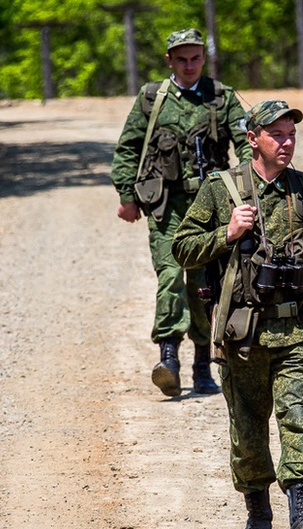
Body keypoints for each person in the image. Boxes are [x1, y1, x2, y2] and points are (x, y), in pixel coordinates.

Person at [172, 100, 303, 529]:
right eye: (276, 134)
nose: (287, 142)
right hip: (242, 337)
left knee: (297, 420)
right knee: (249, 432)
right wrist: (227, 234)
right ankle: (258, 517)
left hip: (298, 331)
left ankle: (302, 518)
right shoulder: (222, 190)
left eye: (292, 134)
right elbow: (181, 247)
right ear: (253, 138)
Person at [111, 28, 251, 397]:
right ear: (169, 60)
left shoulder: (221, 98)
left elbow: (247, 144)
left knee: (205, 287)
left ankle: (203, 366)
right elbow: (128, 147)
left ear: (203, 58)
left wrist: (254, 188)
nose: (189, 65)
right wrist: (127, 195)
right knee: (171, 275)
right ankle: (168, 359)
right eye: (182, 59)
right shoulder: (152, 98)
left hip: (211, 207)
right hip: (168, 208)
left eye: (196, 58)